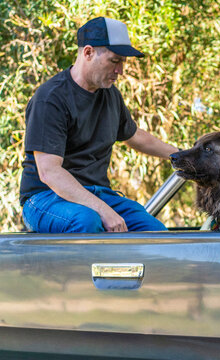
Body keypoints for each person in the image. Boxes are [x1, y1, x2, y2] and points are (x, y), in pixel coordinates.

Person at [19, 17, 178, 233]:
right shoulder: (51, 98)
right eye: (115, 61)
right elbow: (50, 173)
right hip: (45, 197)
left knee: (154, 232)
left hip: (98, 193)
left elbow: (134, 136)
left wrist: (181, 156)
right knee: (87, 221)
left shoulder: (110, 95)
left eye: (123, 62)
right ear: (88, 52)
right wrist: (103, 210)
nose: (121, 70)